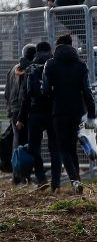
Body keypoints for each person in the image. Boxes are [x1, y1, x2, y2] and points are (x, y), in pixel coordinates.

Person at [42, 34, 97, 195]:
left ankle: (75, 180)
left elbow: (45, 89)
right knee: (72, 148)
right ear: (72, 45)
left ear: (57, 46)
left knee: (63, 148)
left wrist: (53, 95)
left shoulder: (51, 64)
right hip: (77, 111)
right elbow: (87, 90)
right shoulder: (80, 65)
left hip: (59, 111)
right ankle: (77, 181)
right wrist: (91, 112)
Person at [16, 42, 55, 189]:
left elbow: (26, 97)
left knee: (34, 147)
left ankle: (41, 177)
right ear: (50, 50)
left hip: (35, 112)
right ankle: (56, 181)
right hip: (53, 113)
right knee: (55, 148)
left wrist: (21, 118)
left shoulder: (30, 69)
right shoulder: (54, 66)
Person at [5, 44, 35, 184]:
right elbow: (26, 94)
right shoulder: (29, 69)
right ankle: (23, 176)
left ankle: (17, 175)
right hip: (24, 111)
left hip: (14, 110)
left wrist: (9, 110)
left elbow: (7, 92)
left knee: (16, 143)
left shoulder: (13, 69)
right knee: (26, 143)